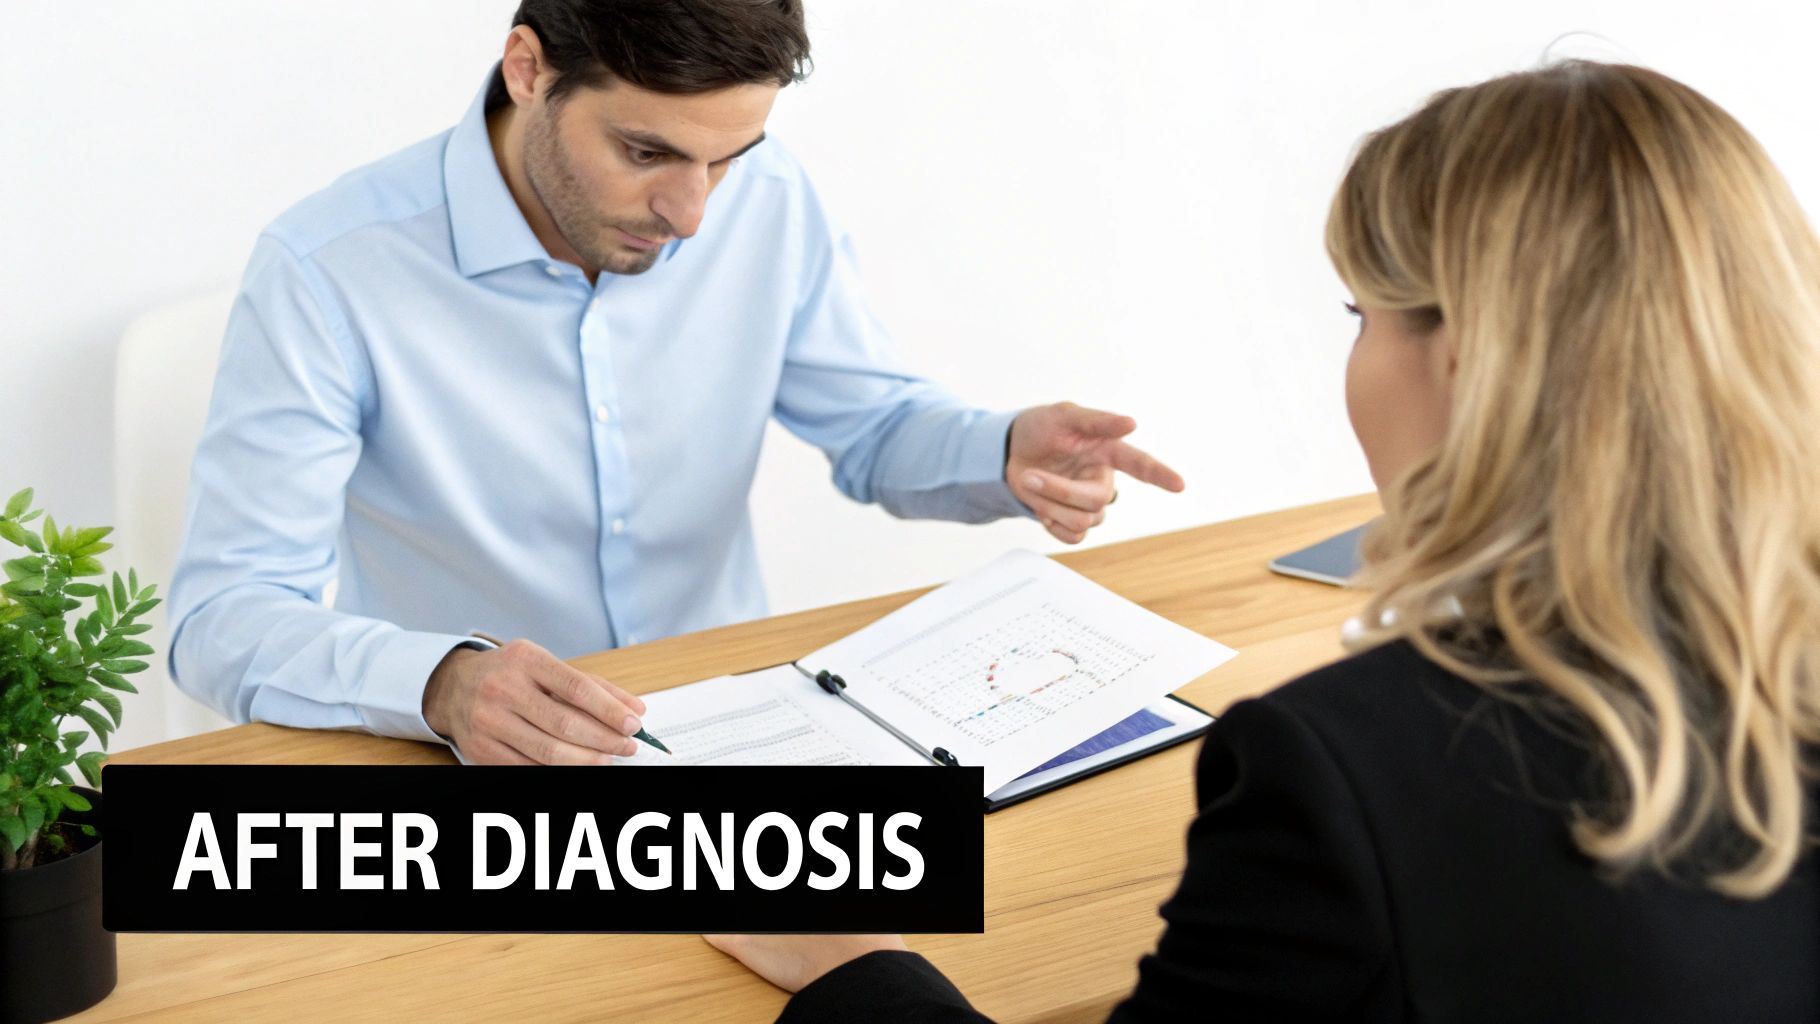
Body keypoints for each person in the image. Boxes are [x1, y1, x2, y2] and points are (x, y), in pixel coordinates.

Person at [707, 60, 1820, 1021]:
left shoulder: (1345, 772)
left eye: (1359, 315)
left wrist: (858, 967)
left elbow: (862, 410)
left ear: (1465, 358)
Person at [167, 0, 1184, 766]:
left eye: (727, 159)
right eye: (644, 151)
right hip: (476, 766)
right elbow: (224, 614)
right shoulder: (328, 269)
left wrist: (998, 451)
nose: (692, 213)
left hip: (741, 739)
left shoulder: (768, 200)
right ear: (526, 68)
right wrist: (441, 682)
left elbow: (872, 428)